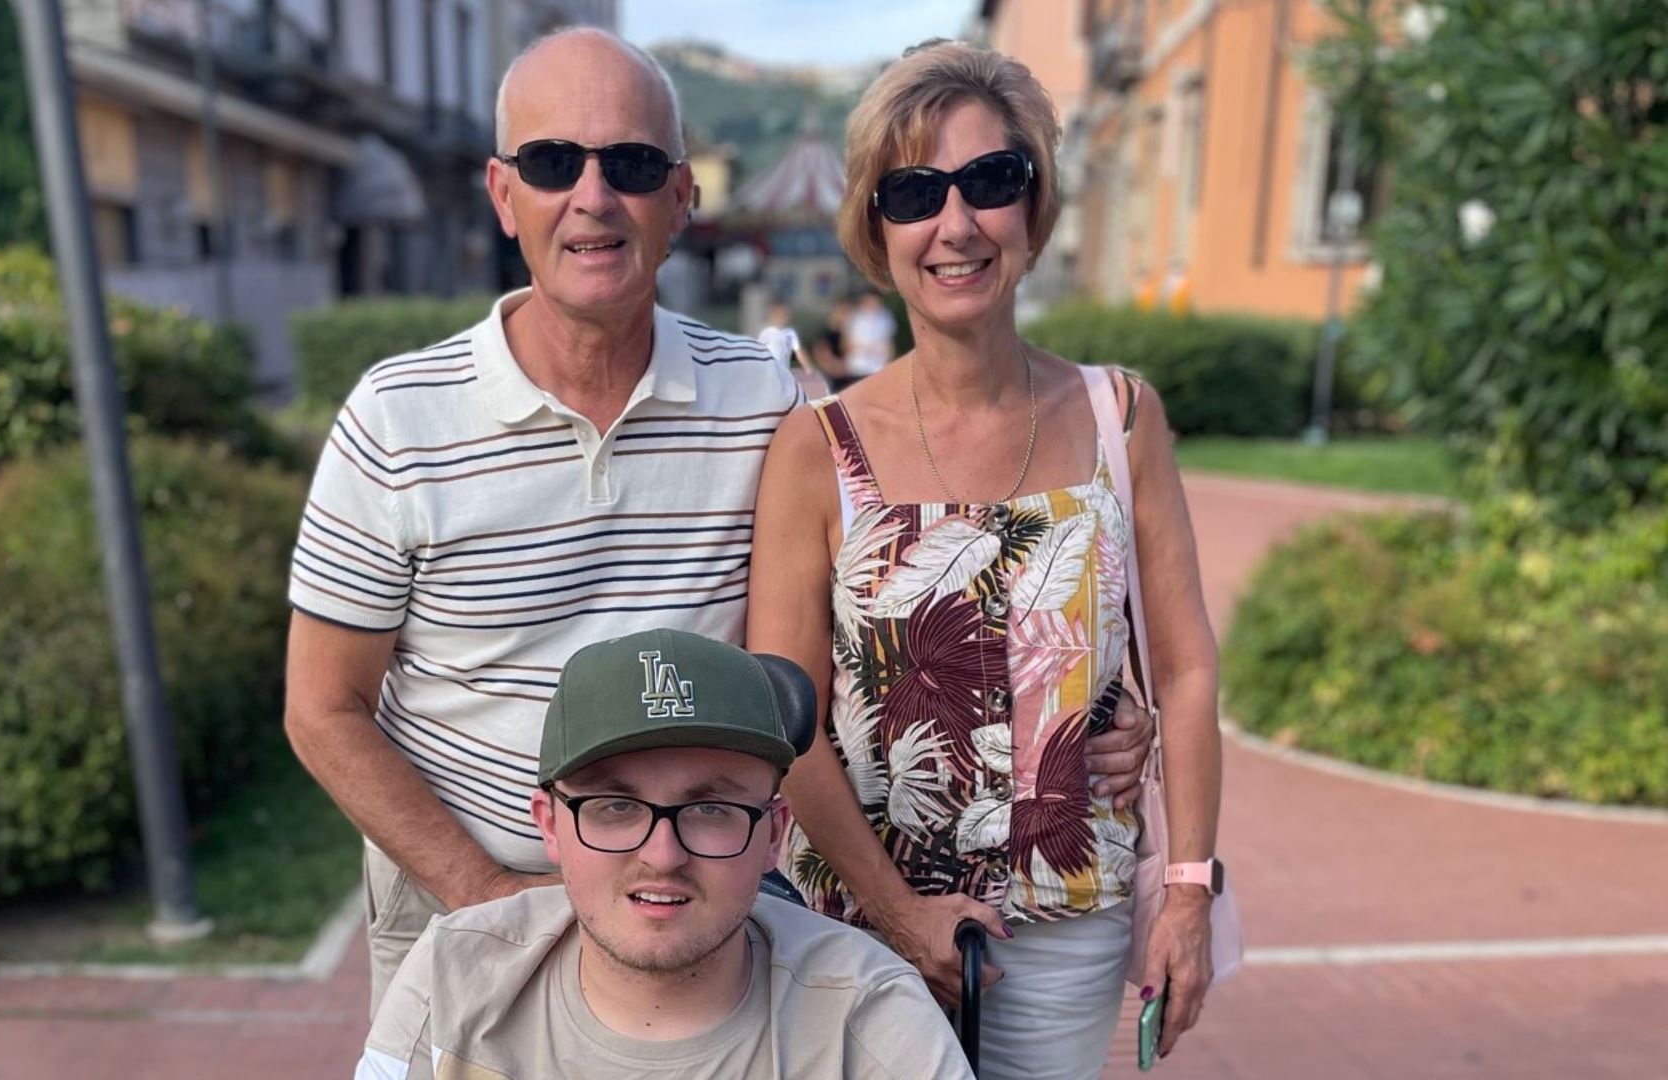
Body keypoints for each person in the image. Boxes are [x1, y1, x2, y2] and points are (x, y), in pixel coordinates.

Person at [283, 26, 1154, 1015]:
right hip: (463, 906)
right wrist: (488, 896)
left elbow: (886, 607)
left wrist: (1081, 711)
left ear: (683, 197)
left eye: (632, 164)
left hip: (695, 914)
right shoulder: (397, 418)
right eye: (554, 162)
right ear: (503, 192)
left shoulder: (765, 400)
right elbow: (322, 708)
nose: (593, 197)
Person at [746, 41, 1223, 1079]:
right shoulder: (817, 449)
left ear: (1034, 205)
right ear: (877, 227)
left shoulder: (1120, 416)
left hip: (1064, 935)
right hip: (857, 936)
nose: (956, 224)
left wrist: (1188, 890)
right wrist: (899, 910)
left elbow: (1186, 669)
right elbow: (788, 723)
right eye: (916, 192)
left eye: (990, 180)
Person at [355, 629, 974, 1079]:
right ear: (550, 825)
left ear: (773, 834)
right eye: (615, 807)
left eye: (711, 810)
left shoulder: (868, 1020)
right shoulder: (453, 977)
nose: (662, 855)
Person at [757, 299, 830, 400]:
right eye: (779, 314)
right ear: (772, 315)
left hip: (783, 374)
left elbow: (799, 352)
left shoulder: (790, 333)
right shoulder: (766, 332)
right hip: (770, 373)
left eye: (785, 315)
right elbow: (759, 352)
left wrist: (809, 368)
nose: (782, 318)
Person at [842, 291, 897, 380]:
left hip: (878, 367)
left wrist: (889, 363)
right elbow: (846, 343)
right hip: (858, 367)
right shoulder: (854, 318)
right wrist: (864, 349)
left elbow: (889, 343)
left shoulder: (886, 317)